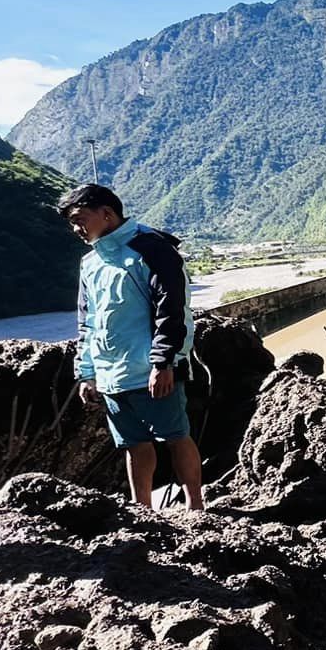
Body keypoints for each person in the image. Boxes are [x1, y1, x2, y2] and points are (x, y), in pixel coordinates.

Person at [59, 183, 203, 510]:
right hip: (111, 374)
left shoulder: (152, 249)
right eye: (72, 223)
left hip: (152, 369)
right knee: (133, 445)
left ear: (106, 214)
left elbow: (172, 310)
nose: (76, 229)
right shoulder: (91, 263)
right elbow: (88, 321)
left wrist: (163, 362)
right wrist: (87, 373)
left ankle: (196, 506)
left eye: (80, 219)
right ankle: (143, 510)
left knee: (175, 436)